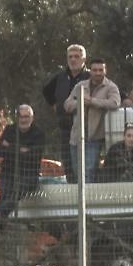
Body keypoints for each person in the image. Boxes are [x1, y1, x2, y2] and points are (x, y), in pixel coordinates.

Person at [63, 58, 121, 183]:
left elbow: (115, 103)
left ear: (105, 71)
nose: (98, 73)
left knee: (89, 171)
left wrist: (92, 102)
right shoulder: (80, 86)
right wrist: (80, 102)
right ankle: (81, 195)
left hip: (94, 137)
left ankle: (88, 195)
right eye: (95, 70)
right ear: (90, 71)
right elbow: (67, 105)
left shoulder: (110, 87)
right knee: (77, 170)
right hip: (76, 135)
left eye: (101, 70)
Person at [42, 44, 91, 182]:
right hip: (65, 129)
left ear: (84, 59)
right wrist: (56, 107)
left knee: (85, 167)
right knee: (69, 166)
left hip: (86, 129)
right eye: (70, 57)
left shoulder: (90, 77)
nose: (73, 60)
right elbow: (46, 91)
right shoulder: (60, 77)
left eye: (77, 56)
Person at [0, 105, 46, 217]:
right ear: (17, 118)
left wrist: (10, 146)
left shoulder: (38, 134)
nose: (23, 120)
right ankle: (0, 221)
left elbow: (34, 156)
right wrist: (22, 150)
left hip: (28, 174)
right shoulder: (9, 130)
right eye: (21, 116)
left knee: (16, 194)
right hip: (8, 171)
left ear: (32, 118)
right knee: (4, 194)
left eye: (26, 116)